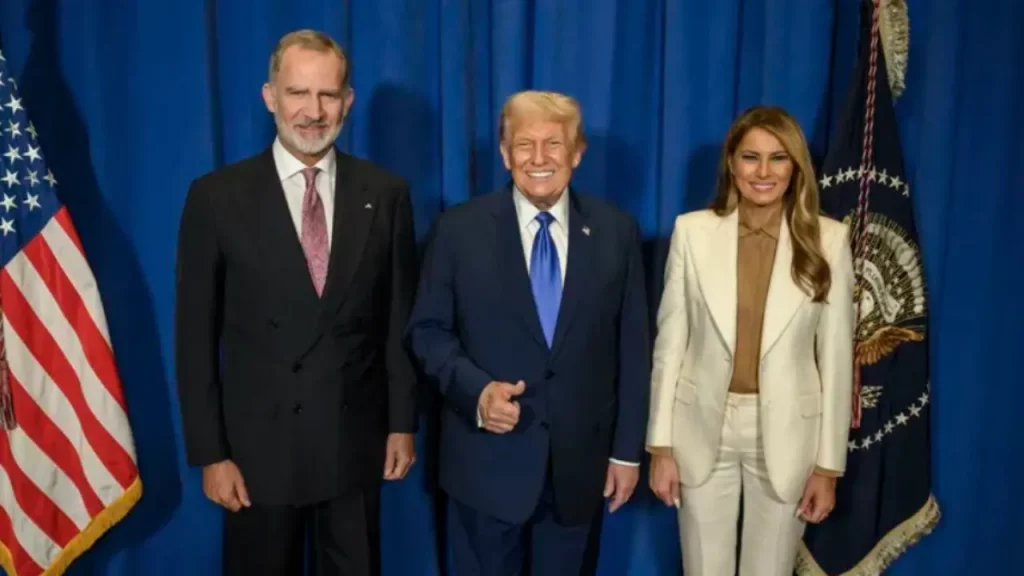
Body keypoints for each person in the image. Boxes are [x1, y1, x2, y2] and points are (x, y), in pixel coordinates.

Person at [174, 29, 418, 576]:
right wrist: (212, 454)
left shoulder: (387, 193)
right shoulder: (216, 197)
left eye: (327, 95)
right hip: (258, 454)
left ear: (347, 102)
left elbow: (397, 319)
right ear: (270, 97)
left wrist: (403, 422)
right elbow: (194, 339)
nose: (313, 111)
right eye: (297, 93)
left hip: (354, 444)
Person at [405, 90, 650, 575]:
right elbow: (427, 332)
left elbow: (634, 349)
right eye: (524, 145)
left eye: (553, 145)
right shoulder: (457, 230)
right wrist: (476, 392)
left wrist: (626, 454)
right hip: (484, 471)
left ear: (577, 152)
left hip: (577, 474)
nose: (538, 159)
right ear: (504, 153)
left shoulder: (616, 232)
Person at [646, 105, 855, 576]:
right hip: (701, 428)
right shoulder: (692, 232)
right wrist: (661, 445)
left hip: (787, 434)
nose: (763, 172)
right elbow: (670, 344)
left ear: (796, 166)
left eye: (778, 158)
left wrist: (829, 466)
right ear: (731, 164)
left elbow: (838, 360)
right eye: (750, 157)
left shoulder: (830, 241)